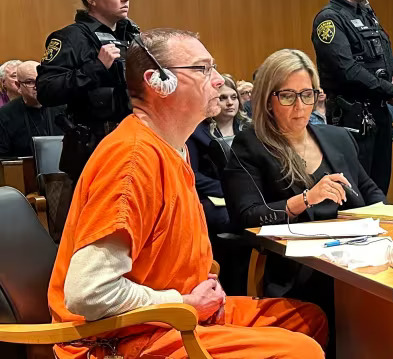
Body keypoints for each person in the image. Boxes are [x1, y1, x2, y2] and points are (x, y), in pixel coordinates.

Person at [47, 29, 327, 359]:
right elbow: (89, 293)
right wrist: (183, 302)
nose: (219, 81)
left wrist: (201, 288)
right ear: (157, 82)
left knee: (308, 320)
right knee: (299, 352)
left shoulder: (173, 147)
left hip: (170, 316)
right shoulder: (132, 160)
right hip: (120, 337)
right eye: (202, 69)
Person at [221, 49, 385, 344]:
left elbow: (370, 192)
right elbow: (246, 216)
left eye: (307, 94)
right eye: (288, 96)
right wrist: (306, 199)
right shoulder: (251, 145)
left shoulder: (338, 138)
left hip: (355, 258)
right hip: (299, 269)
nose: (300, 106)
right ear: (268, 100)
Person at [311, 0, 393, 195]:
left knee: (380, 190)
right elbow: (348, 70)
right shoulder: (329, 20)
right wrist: (389, 90)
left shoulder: (368, 15)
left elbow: (389, 59)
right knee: (357, 194)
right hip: (351, 119)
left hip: (379, 116)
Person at [37, 0, 141, 182]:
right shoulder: (71, 37)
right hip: (94, 148)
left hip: (133, 141)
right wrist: (96, 68)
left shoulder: (132, 36)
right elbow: (45, 90)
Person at [186, 76, 251, 233]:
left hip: (249, 193)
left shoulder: (250, 128)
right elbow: (192, 173)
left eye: (234, 97)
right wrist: (227, 189)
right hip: (215, 195)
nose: (230, 103)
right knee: (223, 217)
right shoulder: (195, 133)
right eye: (223, 98)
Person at [0, 61, 65, 158]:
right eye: (30, 82)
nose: (37, 86)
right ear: (18, 86)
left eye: (40, 80)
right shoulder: (5, 114)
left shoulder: (62, 107)